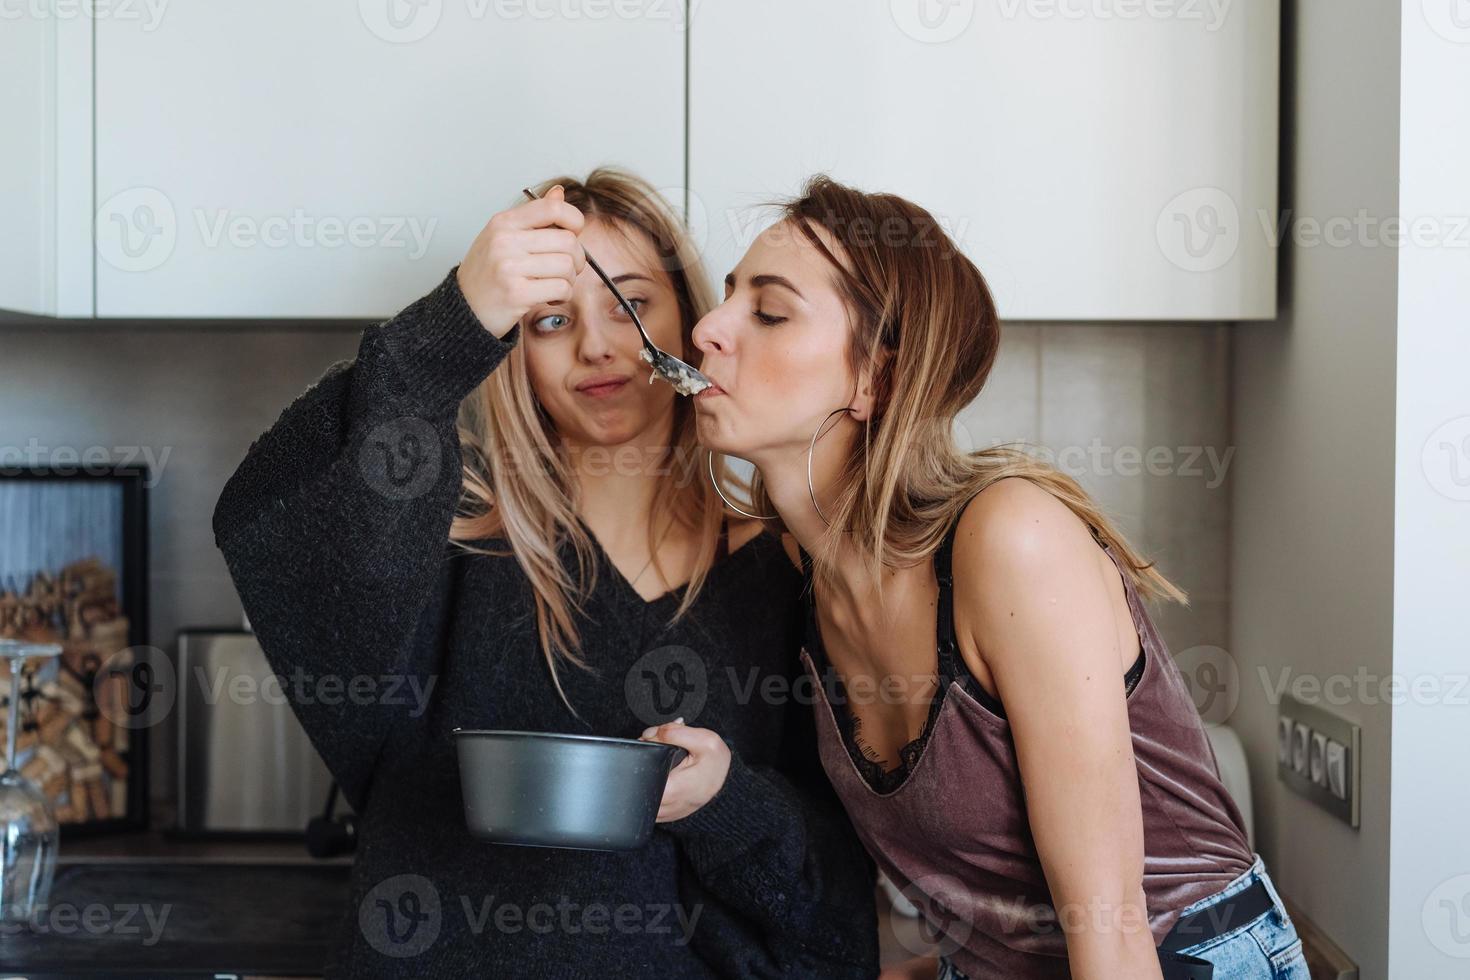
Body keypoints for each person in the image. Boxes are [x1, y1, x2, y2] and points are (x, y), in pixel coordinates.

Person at [212, 169, 879, 978]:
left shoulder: (792, 574)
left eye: (630, 305)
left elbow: (837, 910)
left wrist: (726, 803)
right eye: (550, 320)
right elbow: (264, 513)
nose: (596, 347)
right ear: (509, 347)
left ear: (696, 323)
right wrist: (450, 324)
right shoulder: (438, 549)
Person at [685, 174, 1310, 980]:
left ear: (877, 379)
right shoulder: (798, 573)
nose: (708, 328)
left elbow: (1111, 936)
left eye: (768, 312)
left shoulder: (1009, 540)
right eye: (728, 298)